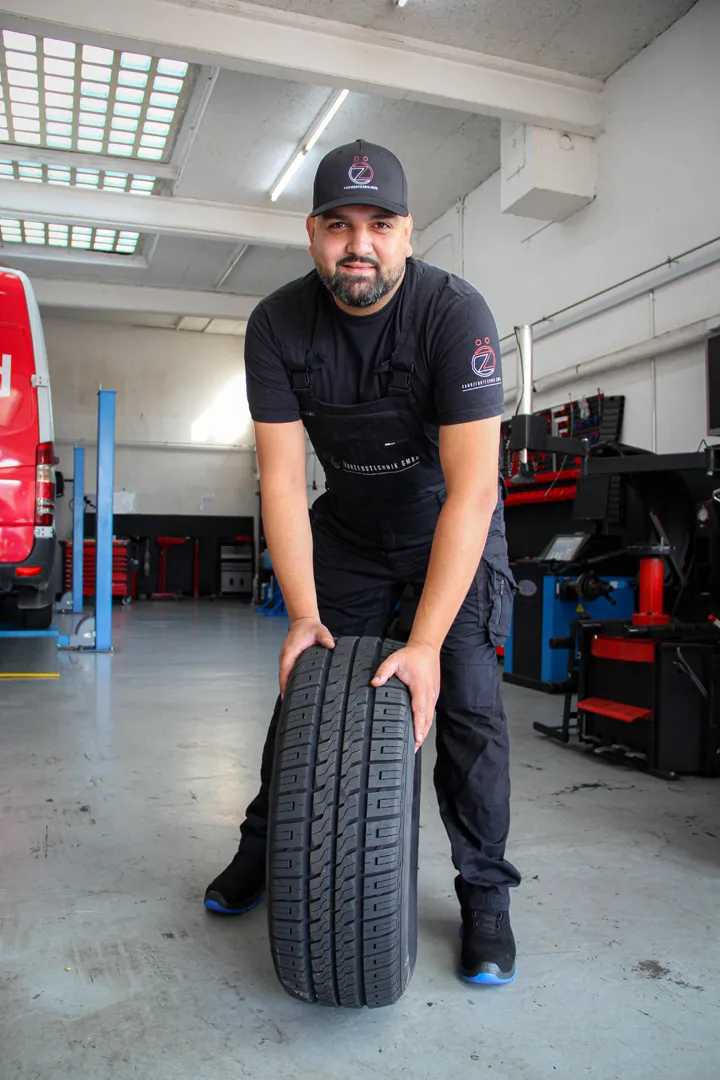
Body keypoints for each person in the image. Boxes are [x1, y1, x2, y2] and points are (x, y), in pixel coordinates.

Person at [205, 139, 521, 985]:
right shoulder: (277, 325)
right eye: (340, 225)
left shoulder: (454, 315)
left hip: (447, 529)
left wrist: (425, 645)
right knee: (307, 695)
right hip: (347, 534)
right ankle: (264, 849)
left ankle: (486, 899)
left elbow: (473, 492)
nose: (360, 244)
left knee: (468, 713)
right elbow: (281, 481)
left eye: (379, 224)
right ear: (312, 234)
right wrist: (304, 616)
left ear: (408, 232)